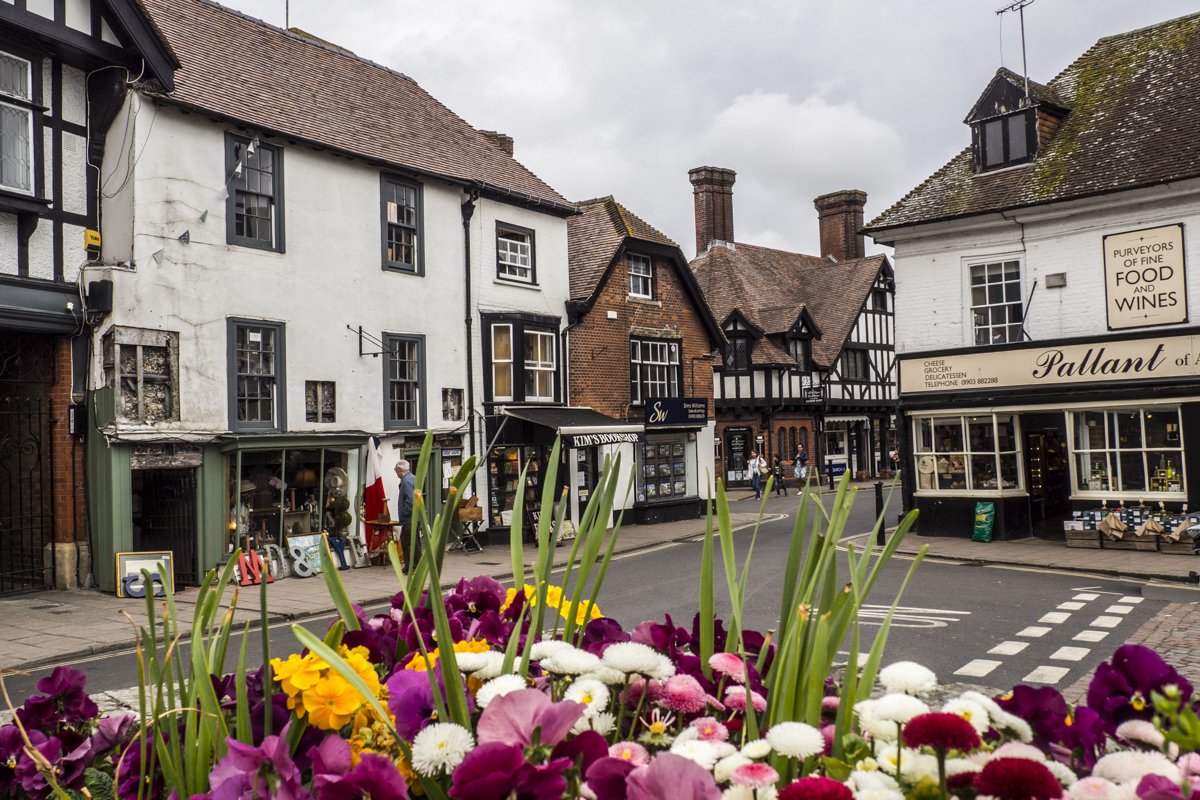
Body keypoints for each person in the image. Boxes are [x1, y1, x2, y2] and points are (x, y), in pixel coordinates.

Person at [395, 459, 418, 572]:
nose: (395, 472)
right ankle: (412, 565)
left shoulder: (406, 481)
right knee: (409, 541)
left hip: (409, 518)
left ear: (400, 470)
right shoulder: (411, 478)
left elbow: (410, 499)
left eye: (396, 470)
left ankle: (412, 566)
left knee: (408, 542)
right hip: (411, 517)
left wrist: (405, 513)